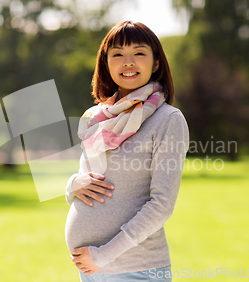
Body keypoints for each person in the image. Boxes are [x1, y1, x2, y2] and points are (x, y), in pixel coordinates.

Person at [65, 20, 189, 282]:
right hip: (90, 269)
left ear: (156, 63)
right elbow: (85, 177)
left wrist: (102, 256)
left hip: (135, 270)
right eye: (118, 54)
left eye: (139, 53)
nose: (128, 62)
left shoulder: (168, 119)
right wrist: (73, 184)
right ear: (106, 62)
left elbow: (162, 204)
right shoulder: (96, 119)